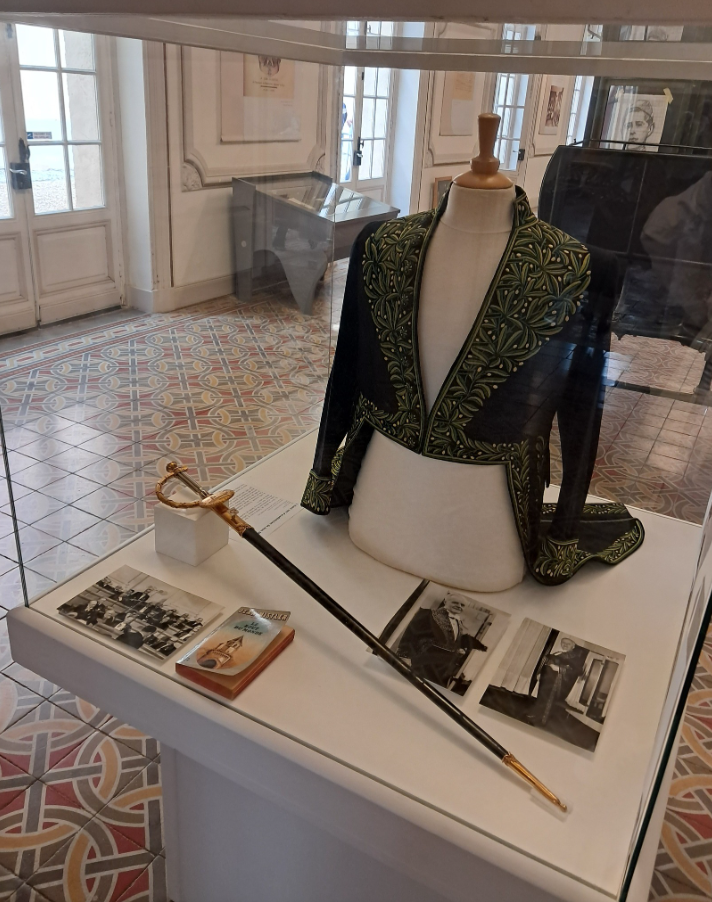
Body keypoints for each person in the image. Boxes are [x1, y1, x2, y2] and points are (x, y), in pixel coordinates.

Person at [395, 594, 486, 688]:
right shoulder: (428, 613)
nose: (459, 606)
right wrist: (404, 656)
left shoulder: (458, 622)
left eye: (462, 605)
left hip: (442, 668)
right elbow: (410, 634)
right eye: (455, 602)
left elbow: (450, 640)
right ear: (445, 602)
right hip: (422, 662)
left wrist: (458, 649)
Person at [526, 638, 589, 726]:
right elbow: (547, 663)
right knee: (541, 697)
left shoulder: (576, 657)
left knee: (549, 700)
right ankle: (536, 713)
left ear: (573, 646)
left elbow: (577, 671)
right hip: (546, 679)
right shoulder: (558, 653)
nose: (565, 645)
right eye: (563, 643)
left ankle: (541, 719)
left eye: (568, 643)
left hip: (557, 682)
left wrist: (559, 669)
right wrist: (540, 673)